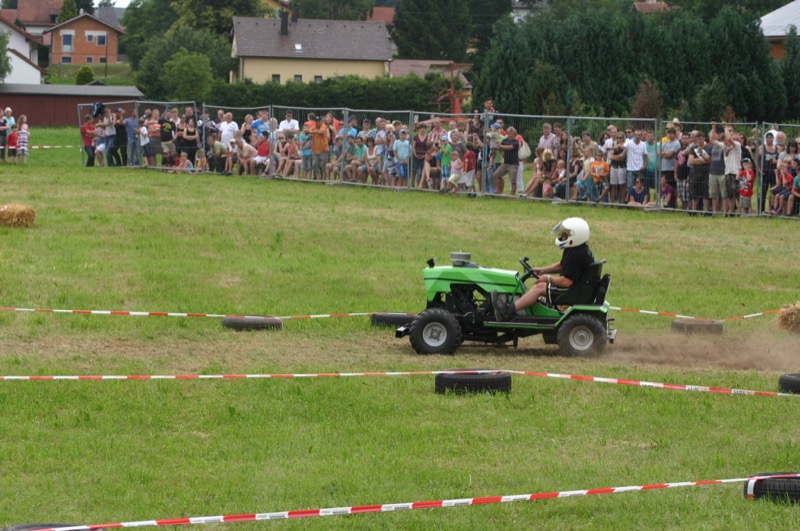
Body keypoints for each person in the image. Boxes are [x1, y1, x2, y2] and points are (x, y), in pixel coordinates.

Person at [492, 217, 594, 320]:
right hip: (578, 289)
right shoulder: (577, 249)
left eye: (565, 235)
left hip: (573, 293)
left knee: (539, 288)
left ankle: (507, 311)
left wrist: (548, 278)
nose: (562, 237)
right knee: (541, 286)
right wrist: (543, 270)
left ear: (575, 236)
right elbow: (562, 265)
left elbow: (566, 282)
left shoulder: (577, 255)